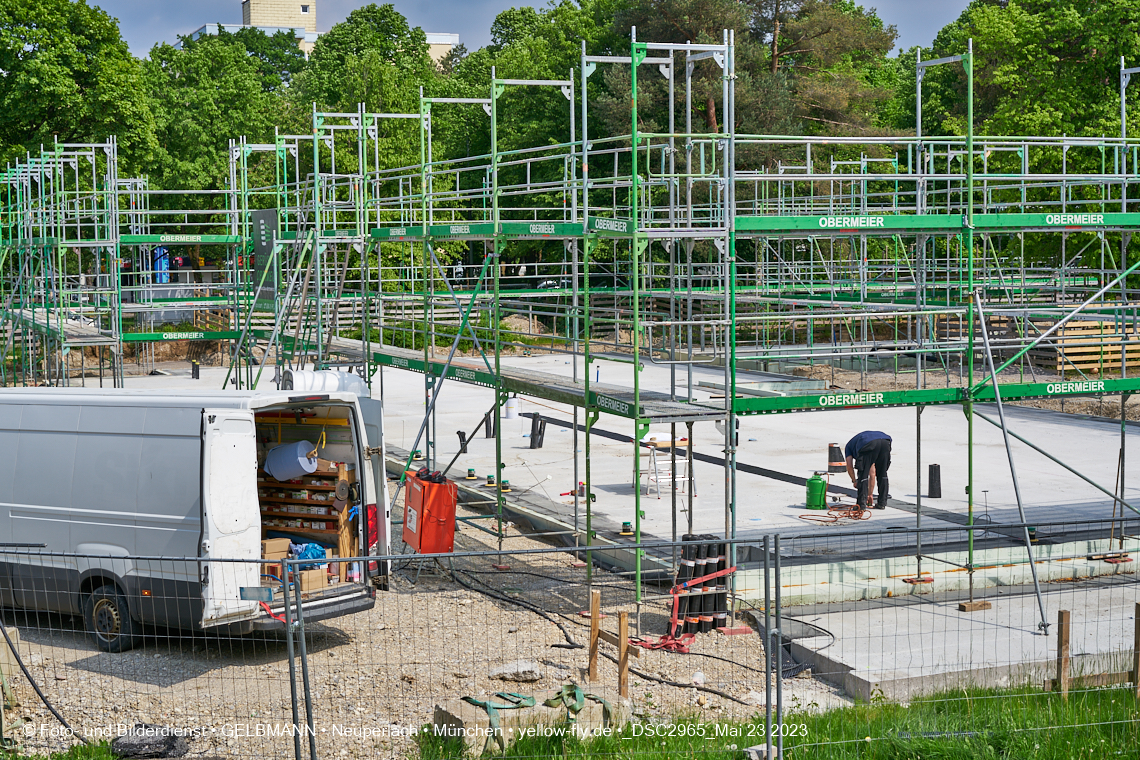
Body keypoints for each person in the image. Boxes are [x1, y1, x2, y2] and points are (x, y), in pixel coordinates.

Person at [845, 431, 892, 510]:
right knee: (882, 473)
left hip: (867, 444)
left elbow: (849, 465)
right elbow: (872, 474)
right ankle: (882, 503)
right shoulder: (856, 443)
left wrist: (854, 481)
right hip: (886, 442)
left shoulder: (848, 447)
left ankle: (861, 505)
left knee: (863, 474)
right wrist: (870, 494)